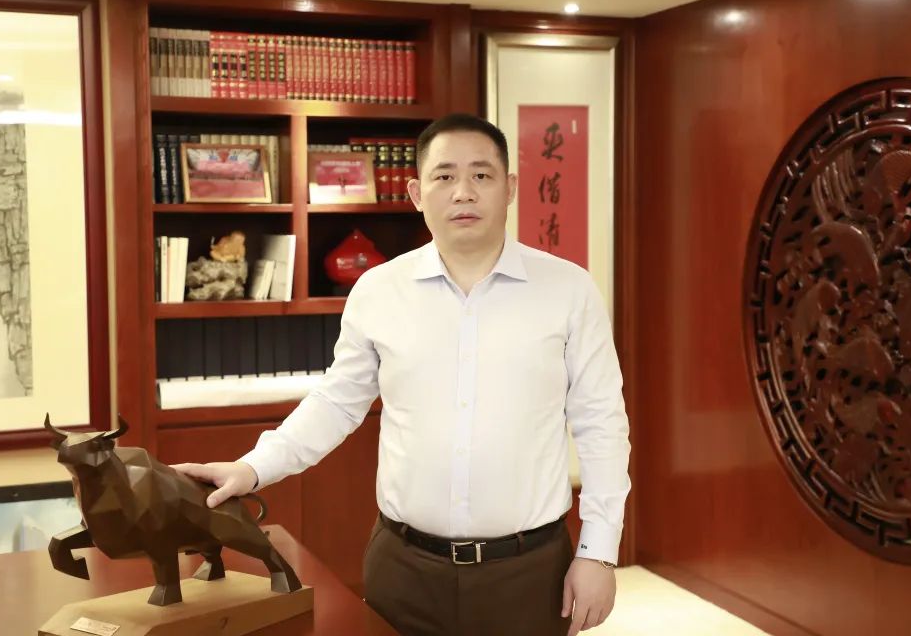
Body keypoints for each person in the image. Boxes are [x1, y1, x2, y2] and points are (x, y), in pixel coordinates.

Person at [174, 113, 631, 636]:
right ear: (416, 193)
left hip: (528, 571)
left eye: (482, 175)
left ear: (510, 188)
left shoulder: (568, 290)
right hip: (405, 569)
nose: (463, 191)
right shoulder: (378, 290)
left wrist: (599, 553)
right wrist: (252, 468)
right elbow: (336, 403)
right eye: (444, 176)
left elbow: (602, 425)